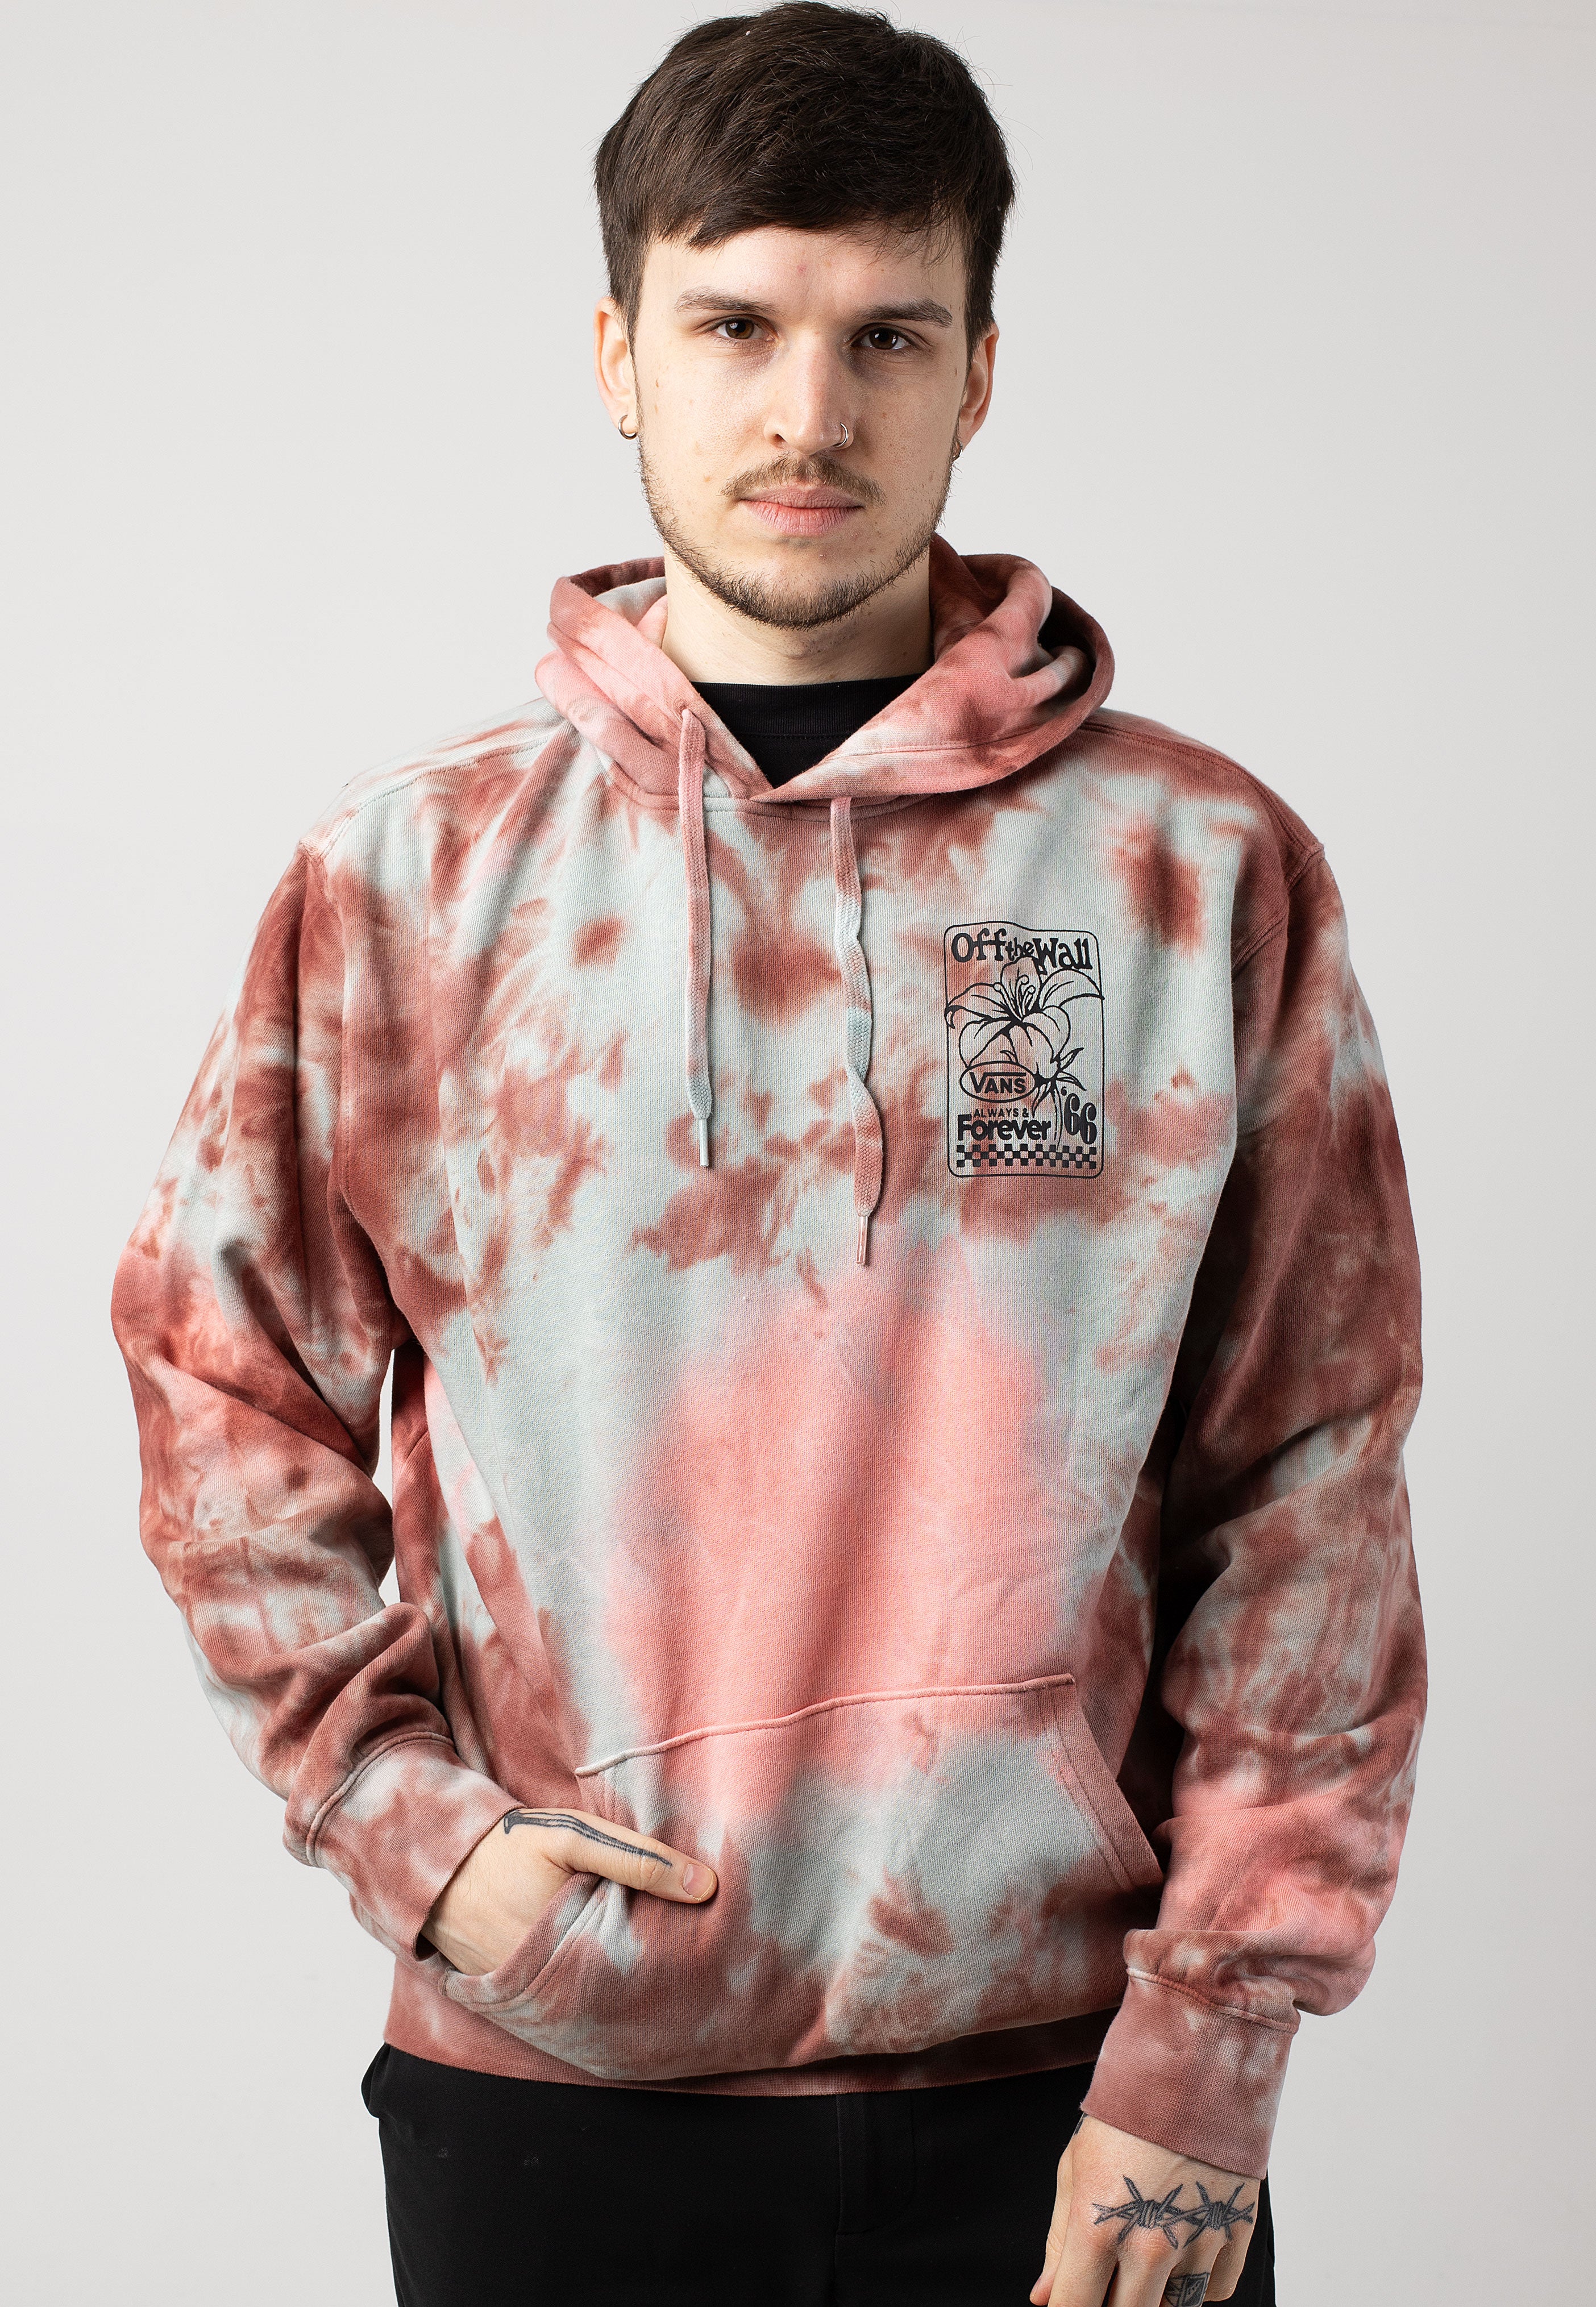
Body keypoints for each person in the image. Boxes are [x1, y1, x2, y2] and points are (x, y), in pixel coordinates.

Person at [111, 6, 1426, 2303]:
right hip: (553, 2088)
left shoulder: (1190, 869)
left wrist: (1208, 2057)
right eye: (735, 325)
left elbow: (1310, 1470)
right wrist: (412, 1834)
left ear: (978, 373)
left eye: (884, 333)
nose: (810, 409)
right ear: (617, 356)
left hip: (1073, 2101)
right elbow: (219, 1383)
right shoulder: (407, 881)